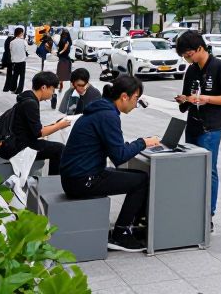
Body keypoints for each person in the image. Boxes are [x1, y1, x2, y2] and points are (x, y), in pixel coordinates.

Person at [60, 74, 162, 253]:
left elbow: (114, 149)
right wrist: (143, 142)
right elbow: (119, 156)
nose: (135, 104)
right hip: (82, 180)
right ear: (124, 97)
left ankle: (130, 225)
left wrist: (136, 144)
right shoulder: (108, 115)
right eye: (136, 99)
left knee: (137, 177)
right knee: (141, 181)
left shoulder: (101, 110)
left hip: (76, 176)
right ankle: (121, 234)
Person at [175, 30, 221, 227]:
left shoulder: (219, 67)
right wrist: (184, 99)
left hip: (211, 127)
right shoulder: (191, 70)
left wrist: (205, 98)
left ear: (200, 48)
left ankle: (208, 214)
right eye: (184, 56)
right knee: (191, 168)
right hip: (192, 124)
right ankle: (192, 209)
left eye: (188, 54)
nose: (187, 59)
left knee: (209, 170)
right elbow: (186, 99)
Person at [0, 71, 70, 174]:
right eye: (52, 89)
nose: (53, 93)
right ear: (44, 87)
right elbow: (39, 132)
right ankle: (53, 182)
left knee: (53, 147)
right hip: (12, 147)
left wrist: (53, 125)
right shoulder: (31, 103)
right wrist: (59, 125)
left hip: (12, 142)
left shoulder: (27, 98)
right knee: (59, 149)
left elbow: (32, 127)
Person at [53, 28, 73, 109]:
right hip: (64, 58)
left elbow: (64, 49)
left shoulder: (65, 41)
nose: (64, 35)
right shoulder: (66, 40)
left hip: (63, 58)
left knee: (62, 73)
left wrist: (58, 53)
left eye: (65, 34)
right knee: (63, 73)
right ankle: (61, 84)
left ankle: (61, 84)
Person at [9, 27, 28, 94]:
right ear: (20, 33)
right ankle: (19, 90)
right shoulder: (24, 41)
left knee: (15, 75)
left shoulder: (12, 42)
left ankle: (13, 88)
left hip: (15, 61)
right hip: (22, 61)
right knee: (22, 77)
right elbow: (26, 50)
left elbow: (11, 50)